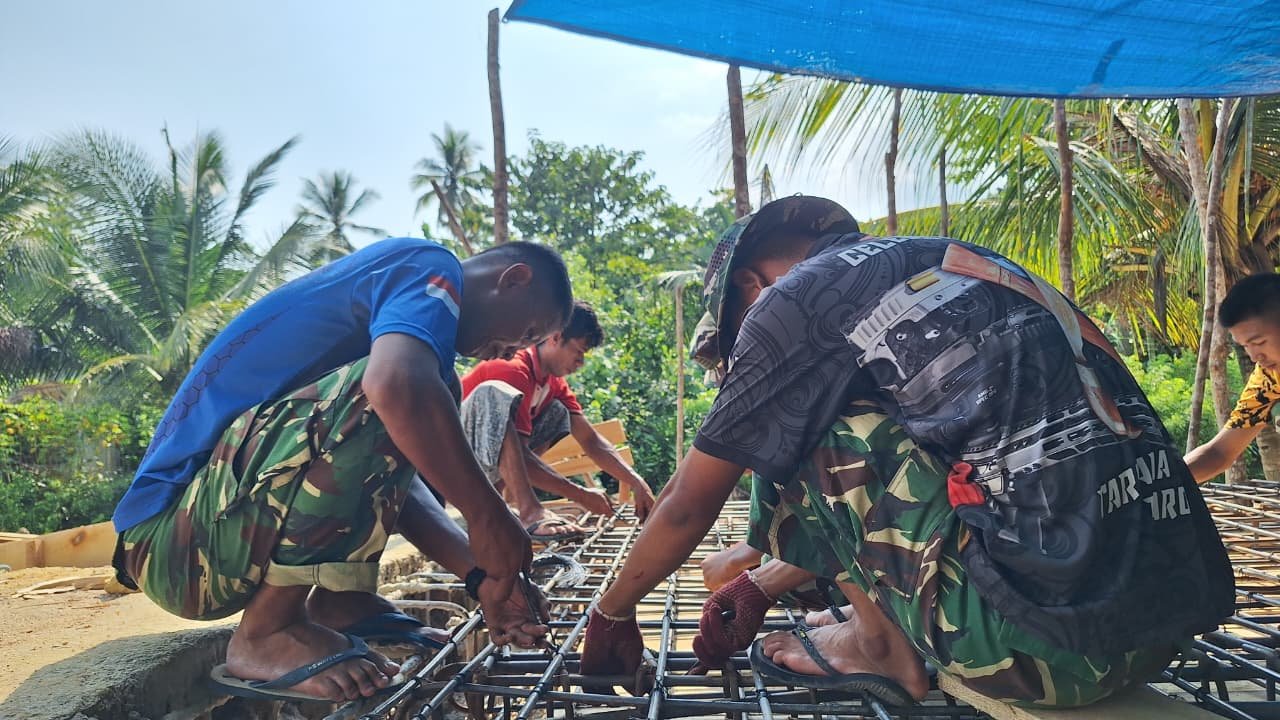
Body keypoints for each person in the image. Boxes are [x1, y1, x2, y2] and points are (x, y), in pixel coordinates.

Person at [578, 196, 1234, 708]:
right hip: (1160, 629)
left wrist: (611, 612)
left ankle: (880, 646)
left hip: (1043, 656)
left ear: (752, 284)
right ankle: (878, 622)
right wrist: (761, 581)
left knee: (789, 422)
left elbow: (688, 503)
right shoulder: (959, 261)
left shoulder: (791, 302)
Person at [111, 238, 568, 703]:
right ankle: (267, 633)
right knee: (409, 387)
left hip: (205, 544)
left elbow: (389, 479)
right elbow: (392, 386)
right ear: (514, 279)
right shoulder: (430, 266)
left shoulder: (412, 345)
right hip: (171, 545)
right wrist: (489, 517)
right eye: (527, 332)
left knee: (431, 392)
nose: (509, 350)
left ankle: (341, 602)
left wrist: (483, 578)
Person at [459, 301, 656, 540]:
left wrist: (636, 482)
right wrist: (580, 494)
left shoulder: (552, 385)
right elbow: (520, 456)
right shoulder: (512, 368)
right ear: (555, 337)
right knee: (492, 393)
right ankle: (529, 510)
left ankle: (496, 501)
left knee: (558, 413)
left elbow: (591, 441)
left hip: (482, 466)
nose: (580, 363)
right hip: (450, 460)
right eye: (579, 352)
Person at [1185, 273, 1280, 483]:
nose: (1254, 357)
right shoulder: (1269, 379)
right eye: (1245, 346)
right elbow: (1219, 453)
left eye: (1259, 342)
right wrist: (1157, 483)